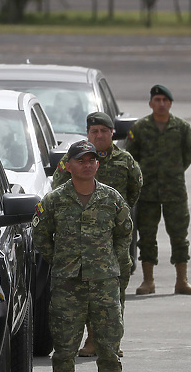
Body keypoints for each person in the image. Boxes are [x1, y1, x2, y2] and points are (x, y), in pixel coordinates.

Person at [33, 140, 132, 372]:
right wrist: (61, 262)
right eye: (81, 160)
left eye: (92, 159)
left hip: (104, 286)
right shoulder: (54, 200)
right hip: (68, 286)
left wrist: (108, 265)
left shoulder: (112, 199)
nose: (88, 164)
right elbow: (40, 235)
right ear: (70, 165)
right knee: (63, 352)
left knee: (109, 352)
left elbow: (124, 233)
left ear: (97, 164)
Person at [53, 112, 142, 357]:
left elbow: (134, 190)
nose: (100, 135)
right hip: (81, 240)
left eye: (104, 131)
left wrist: (114, 216)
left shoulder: (126, 161)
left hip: (114, 238)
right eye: (94, 131)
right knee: (86, 291)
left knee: (115, 291)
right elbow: (58, 184)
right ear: (88, 134)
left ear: (112, 133)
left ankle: (111, 340)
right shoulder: (75, 158)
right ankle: (91, 339)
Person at [125, 84, 191, 295]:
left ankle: (182, 280)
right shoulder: (139, 129)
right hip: (147, 192)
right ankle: (148, 281)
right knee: (147, 236)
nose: (161, 104)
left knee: (179, 235)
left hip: (174, 191)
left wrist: (172, 172)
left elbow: (188, 155)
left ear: (171, 103)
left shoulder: (182, 128)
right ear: (150, 103)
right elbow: (132, 156)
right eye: (157, 100)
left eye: (165, 100)